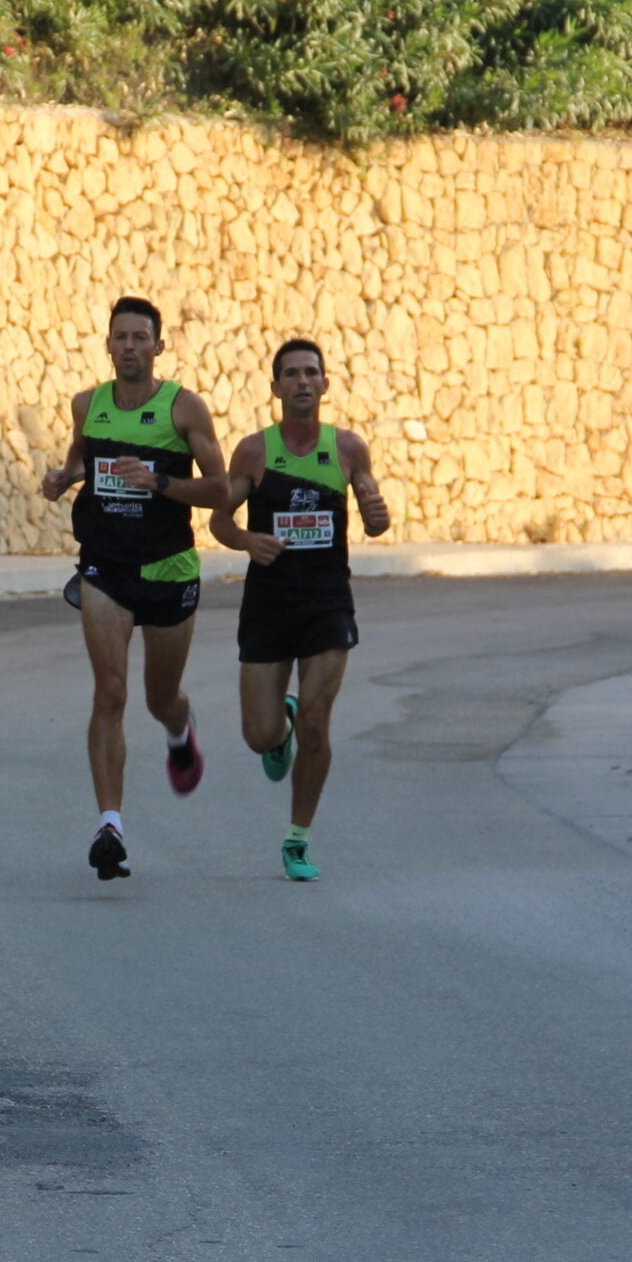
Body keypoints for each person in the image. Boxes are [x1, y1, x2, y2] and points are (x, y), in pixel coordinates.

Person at [40, 297, 231, 880]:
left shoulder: (184, 409)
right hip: (105, 566)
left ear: (158, 347)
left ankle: (180, 729)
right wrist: (62, 477)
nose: (129, 346)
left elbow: (222, 490)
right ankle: (110, 825)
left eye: (140, 337)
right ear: (107, 344)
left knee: (158, 697)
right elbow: (82, 458)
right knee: (111, 692)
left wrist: (161, 481)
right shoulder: (87, 405)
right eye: (119, 337)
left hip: (169, 568)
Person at [210, 337, 390, 880]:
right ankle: (278, 725)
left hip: (327, 602)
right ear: (276, 388)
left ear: (326, 384)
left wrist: (377, 512)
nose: (303, 381)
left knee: (318, 720)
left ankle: (297, 838)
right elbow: (220, 521)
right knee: (258, 737)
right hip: (268, 604)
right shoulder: (254, 452)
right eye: (291, 374)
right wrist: (247, 542)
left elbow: (375, 522)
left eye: (312, 373)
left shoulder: (349, 449)